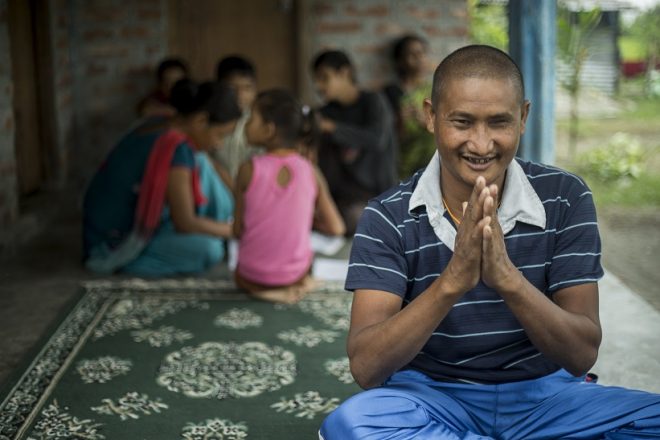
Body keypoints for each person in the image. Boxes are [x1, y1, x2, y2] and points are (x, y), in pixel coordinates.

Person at [320, 45, 660, 439]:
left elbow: (581, 354)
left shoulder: (565, 197)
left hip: (547, 399)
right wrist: (452, 282)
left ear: (523, 118)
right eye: (462, 122)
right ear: (431, 117)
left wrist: (508, 279)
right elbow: (366, 367)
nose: (481, 145)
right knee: (353, 425)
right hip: (433, 399)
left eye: (499, 122)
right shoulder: (388, 216)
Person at [84, 79, 241, 276]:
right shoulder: (175, 147)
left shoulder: (164, 123)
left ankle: (224, 226)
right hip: (112, 239)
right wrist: (233, 231)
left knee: (202, 162)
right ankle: (134, 262)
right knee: (209, 250)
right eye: (220, 135)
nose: (219, 144)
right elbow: (185, 222)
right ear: (200, 121)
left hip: (106, 222)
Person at [233, 89, 345, 304]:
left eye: (251, 119)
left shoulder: (247, 169)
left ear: (268, 130)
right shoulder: (311, 170)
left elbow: (238, 230)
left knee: (239, 275)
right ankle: (298, 283)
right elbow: (337, 228)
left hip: (251, 277)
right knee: (305, 259)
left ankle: (262, 292)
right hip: (295, 274)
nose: (246, 125)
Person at [312, 50, 398, 236]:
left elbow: (376, 139)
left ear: (344, 73)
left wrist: (332, 128)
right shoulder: (327, 112)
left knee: (357, 218)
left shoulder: (374, 102)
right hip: (340, 197)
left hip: (376, 195)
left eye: (324, 78)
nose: (319, 86)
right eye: (316, 80)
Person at [383, 34, 436, 179]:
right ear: (400, 61)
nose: (419, 58)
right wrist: (400, 122)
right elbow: (385, 140)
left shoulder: (436, 91)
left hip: (436, 169)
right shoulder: (391, 95)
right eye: (412, 54)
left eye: (422, 53)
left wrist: (426, 122)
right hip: (404, 171)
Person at [213, 55, 262, 178]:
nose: (240, 95)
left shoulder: (258, 123)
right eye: (232, 88)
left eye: (247, 88)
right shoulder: (209, 123)